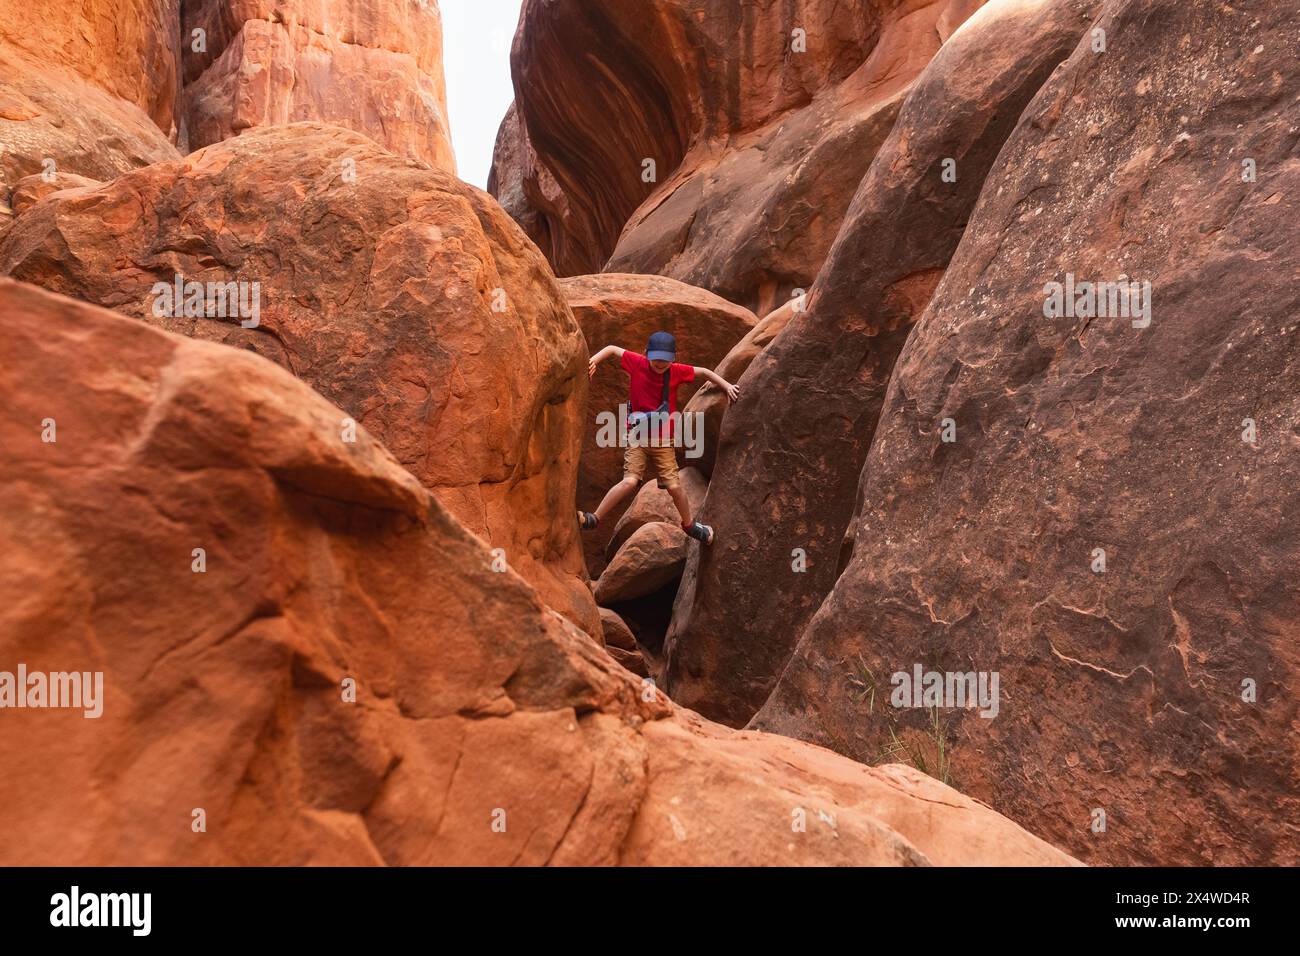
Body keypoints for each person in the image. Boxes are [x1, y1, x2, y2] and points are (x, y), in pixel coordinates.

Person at [578, 331, 739, 544]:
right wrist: (593, 361)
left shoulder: (675, 371)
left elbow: (704, 372)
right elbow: (611, 349)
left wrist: (726, 385)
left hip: (663, 440)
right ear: (646, 354)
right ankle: (594, 519)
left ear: (673, 359)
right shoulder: (637, 363)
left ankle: (690, 525)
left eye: (666, 361)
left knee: (674, 486)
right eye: (656, 360)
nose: (661, 364)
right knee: (629, 481)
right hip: (637, 436)